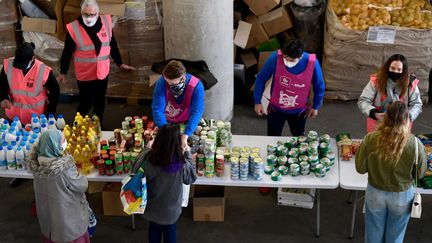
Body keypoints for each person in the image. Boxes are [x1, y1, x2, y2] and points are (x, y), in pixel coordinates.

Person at [355, 101, 426, 243]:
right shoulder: (415, 143)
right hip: (402, 195)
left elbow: (360, 168)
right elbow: (420, 174)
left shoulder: (370, 138)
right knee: (395, 237)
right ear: (407, 119)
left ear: (385, 117)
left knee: (373, 235)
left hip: (375, 192)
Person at [58, 0, 135, 126]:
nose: (89, 18)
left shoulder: (106, 22)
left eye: (92, 14)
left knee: (100, 101)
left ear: (98, 13)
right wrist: (63, 71)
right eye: (86, 14)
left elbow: (112, 44)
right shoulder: (74, 28)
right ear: (81, 12)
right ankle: (77, 125)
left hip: (102, 72)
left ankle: (98, 124)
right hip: (85, 73)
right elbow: (67, 52)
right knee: (86, 102)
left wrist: (120, 63)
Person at [135, 124, 197, 243]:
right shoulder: (181, 164)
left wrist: (146, 150)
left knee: (154, 230)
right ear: (177, 143)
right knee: (170, 231)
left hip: (153, 208)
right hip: (172, 211)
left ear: (157, 140)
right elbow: (191, 178)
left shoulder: (150, 161)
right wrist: (187, 153)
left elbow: (136, 170)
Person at [27, 129, 90, 243]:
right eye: (62, 141)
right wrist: (78, 172)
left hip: (49, 224)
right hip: (68, 226)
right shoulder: (64, 170)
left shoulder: (37, 167)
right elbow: (82, 185)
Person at [253, 39, 325, 137]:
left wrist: (316, 106)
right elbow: (261, 78)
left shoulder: (312, 63)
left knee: (298, 138)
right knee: (272, 137)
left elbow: (319, 85)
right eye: (285, 58)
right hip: (276, 110)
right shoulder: (275, 58)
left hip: (298, 112)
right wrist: (257, 101)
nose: (287, 62)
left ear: (301, 56)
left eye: (291, 60)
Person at [358, 54, 422, 133]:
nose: (395, 71)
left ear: (404, 70)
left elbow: (417, 104)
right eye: (392, 68)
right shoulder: (376, 81)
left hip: (401, 127)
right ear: (388, 67)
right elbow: (363, 100)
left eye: (399, 69)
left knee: (398, 145)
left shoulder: (411, 84)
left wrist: (408, 117)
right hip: (377, 124)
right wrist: (374, 114)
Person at [0, 42, 60, 125]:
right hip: (13, 118)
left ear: (32, 59)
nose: (19, 67)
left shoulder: (42, 70)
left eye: (23, 64)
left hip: (36, 120)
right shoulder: (8, 65)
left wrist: (49, 114)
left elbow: (55, 91)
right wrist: (3, 98)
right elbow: (2, 85)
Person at [152, 60, 205, 147]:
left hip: (187, 121)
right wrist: (165, 129)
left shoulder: (196, 86)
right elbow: (157, 108)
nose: (169, 85)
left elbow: (196, 111)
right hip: (166, 121)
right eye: (167, 82)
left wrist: (186, 134)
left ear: (183, 79)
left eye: (172, 83)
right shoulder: (162, 82)